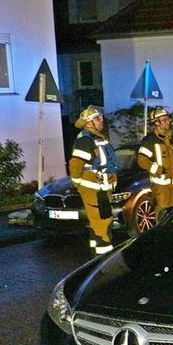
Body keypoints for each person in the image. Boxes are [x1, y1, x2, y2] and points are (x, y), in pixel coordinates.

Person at [69, 106, 119, 257]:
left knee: (97, 223)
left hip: (101, 188)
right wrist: (78, 183)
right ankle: (104, 259)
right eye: (97, 118)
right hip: (94, 190)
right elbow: (75, 164)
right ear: (89, 123)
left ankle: (94, 254)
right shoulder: (85, 140)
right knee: (103, 222)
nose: (101, 120)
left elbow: (107, 163)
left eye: (101, 117)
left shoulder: (99, 138)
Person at [137, 106, 173, 221]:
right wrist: (158, 170)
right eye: (164, 120)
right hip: (160, 187)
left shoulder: (171, 139)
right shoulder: (150, 140)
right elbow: (142, 161)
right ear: (157, 123)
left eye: (168, 119)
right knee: (162, 215)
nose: (168, 122)